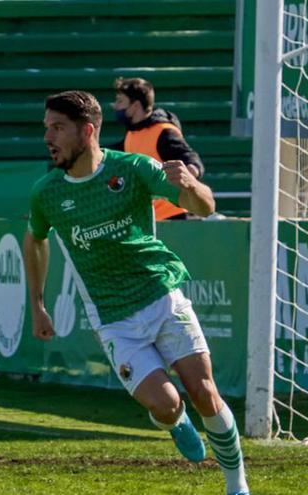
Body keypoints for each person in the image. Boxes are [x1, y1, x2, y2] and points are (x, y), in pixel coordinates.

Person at [23, 91, 249, 495]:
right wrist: (37, 304)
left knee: (204, 392)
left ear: (87, 131)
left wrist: (192, 185)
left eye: (57, 128)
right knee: (167, 404)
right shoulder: (47, 193)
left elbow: (202, 205)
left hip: (162, 296)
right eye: (46, 128)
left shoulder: (133, 168)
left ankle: (236, 485)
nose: (48, 137)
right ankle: (173, 423)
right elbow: (35, 240)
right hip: (114, 318)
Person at [109, 77, 206, 221]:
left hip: (175, 217)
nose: (116, 106)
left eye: (120, 101)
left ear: (135, 105)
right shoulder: (132, 133)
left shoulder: (163, 132)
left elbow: (189, 156)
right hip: (153, 218)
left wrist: (192, 169)